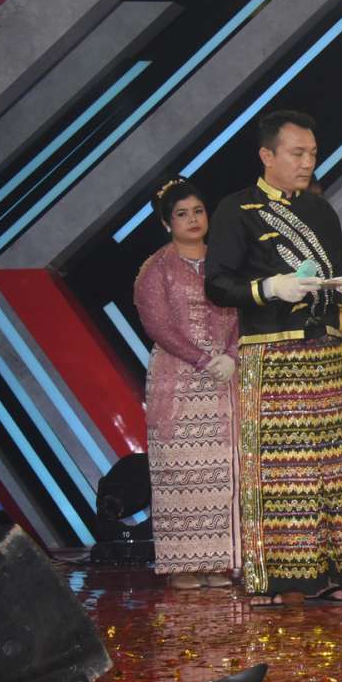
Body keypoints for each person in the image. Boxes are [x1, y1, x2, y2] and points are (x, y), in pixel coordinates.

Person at [204, 110, 342, 606]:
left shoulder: (320, 211)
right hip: (272, 353)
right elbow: (217, 285)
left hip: (324, 351)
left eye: (312, 154)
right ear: (267, 155)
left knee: (328, 466)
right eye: (297, 154)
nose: (307, 163)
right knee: (280, 471)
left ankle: (331, 574)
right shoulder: (237, 209)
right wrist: (268, 287)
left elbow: (340, 271)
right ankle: (278, 580)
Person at [133, 178, 240, 589]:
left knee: (222, 470)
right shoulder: (156, 268)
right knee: (180, 472)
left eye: (198, 211)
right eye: (182, 214)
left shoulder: (224, 262)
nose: (193, 220)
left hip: (224, 379)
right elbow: (157, 325)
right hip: (177, 380)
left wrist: (231, 356)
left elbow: (241, 311)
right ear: (166, 223)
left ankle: (217, 562)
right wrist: (202, 359)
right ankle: (182, 565)